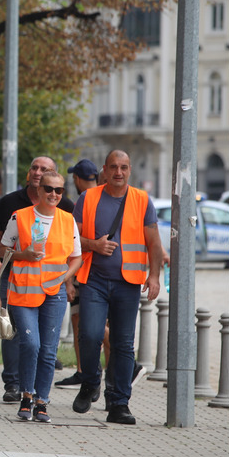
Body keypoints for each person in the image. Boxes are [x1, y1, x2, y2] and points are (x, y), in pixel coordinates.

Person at [72, 150, 163, 425]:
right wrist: (94, 245)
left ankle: (119, 403)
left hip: (129, 282)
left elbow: (154, 242)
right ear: (104, 170)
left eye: (123, 167)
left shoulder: (142, 200)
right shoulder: (88, 198)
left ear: (130, 169)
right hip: (94, 280)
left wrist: (155, 276)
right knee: (89, 335)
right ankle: (90, 382)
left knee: (123, 345)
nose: (118, 172)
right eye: (113, 167)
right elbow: (72, 239)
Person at [0, 156, 74, 403]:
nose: (38, 172)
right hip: (18, 281)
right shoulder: (12, 206)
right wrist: (17, 257)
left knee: (44, 347)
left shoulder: (65, 209)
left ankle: (39, 396)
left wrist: (66, 280)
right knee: (19, 334)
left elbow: (71, 251)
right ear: (33, 180)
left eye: (44, 169)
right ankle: (14, 383)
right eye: (35, 168)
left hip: (51, 288)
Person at [55, 158, 102, 390]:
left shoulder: (85, 201)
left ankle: (90, 372)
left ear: (76, 179)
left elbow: (73, 243)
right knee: (83, 322)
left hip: (86, 274)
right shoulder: (103, 198)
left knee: (85, 325)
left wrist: (70, 280)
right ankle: (88, 372)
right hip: (99, 273)